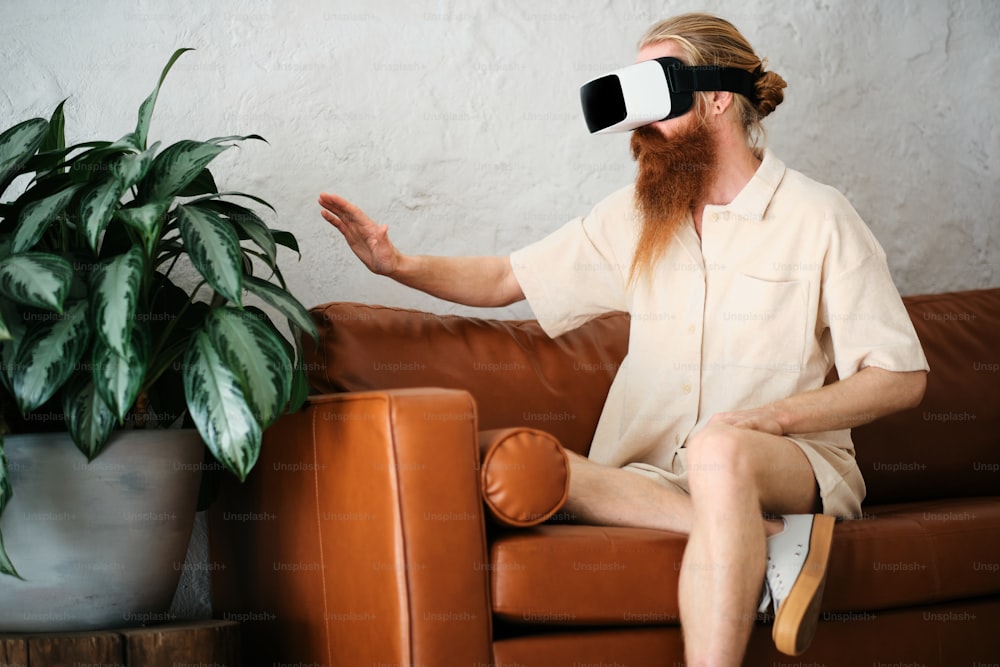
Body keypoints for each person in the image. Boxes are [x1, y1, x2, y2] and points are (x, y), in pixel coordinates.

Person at [318, 13, 929, 666]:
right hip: (653, 478)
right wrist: (399, 264)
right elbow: (504, 277)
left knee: (718, 448)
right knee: (534, 463)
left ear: (719, 95)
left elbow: (901, 374)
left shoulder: (818, 216)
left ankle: (756, 530)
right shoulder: (638, 217)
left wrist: (772, 418)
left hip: (785, 464)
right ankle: (768, 539)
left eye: (656, 94)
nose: (640, 125)